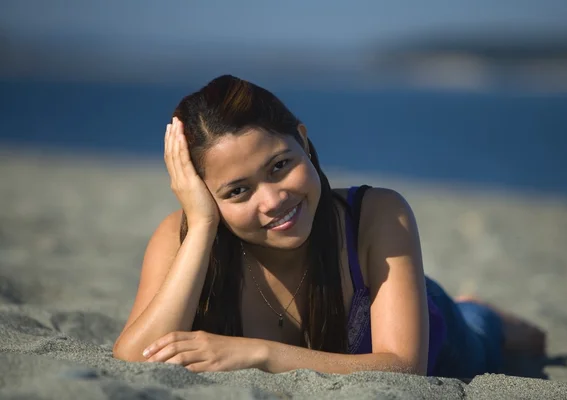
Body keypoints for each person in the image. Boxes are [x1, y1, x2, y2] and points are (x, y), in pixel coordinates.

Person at [112, 75, 545, 378]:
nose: (273, 200)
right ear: (204, 194)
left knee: (484, 333)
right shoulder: (184, 237)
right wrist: (204, 225)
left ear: (303, 139)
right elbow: (133, 358)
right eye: (237, 192)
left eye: (280, 166)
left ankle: (486, 312)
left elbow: (404, 367)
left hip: (445, 336)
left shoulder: (377, 214)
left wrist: (258, 354)